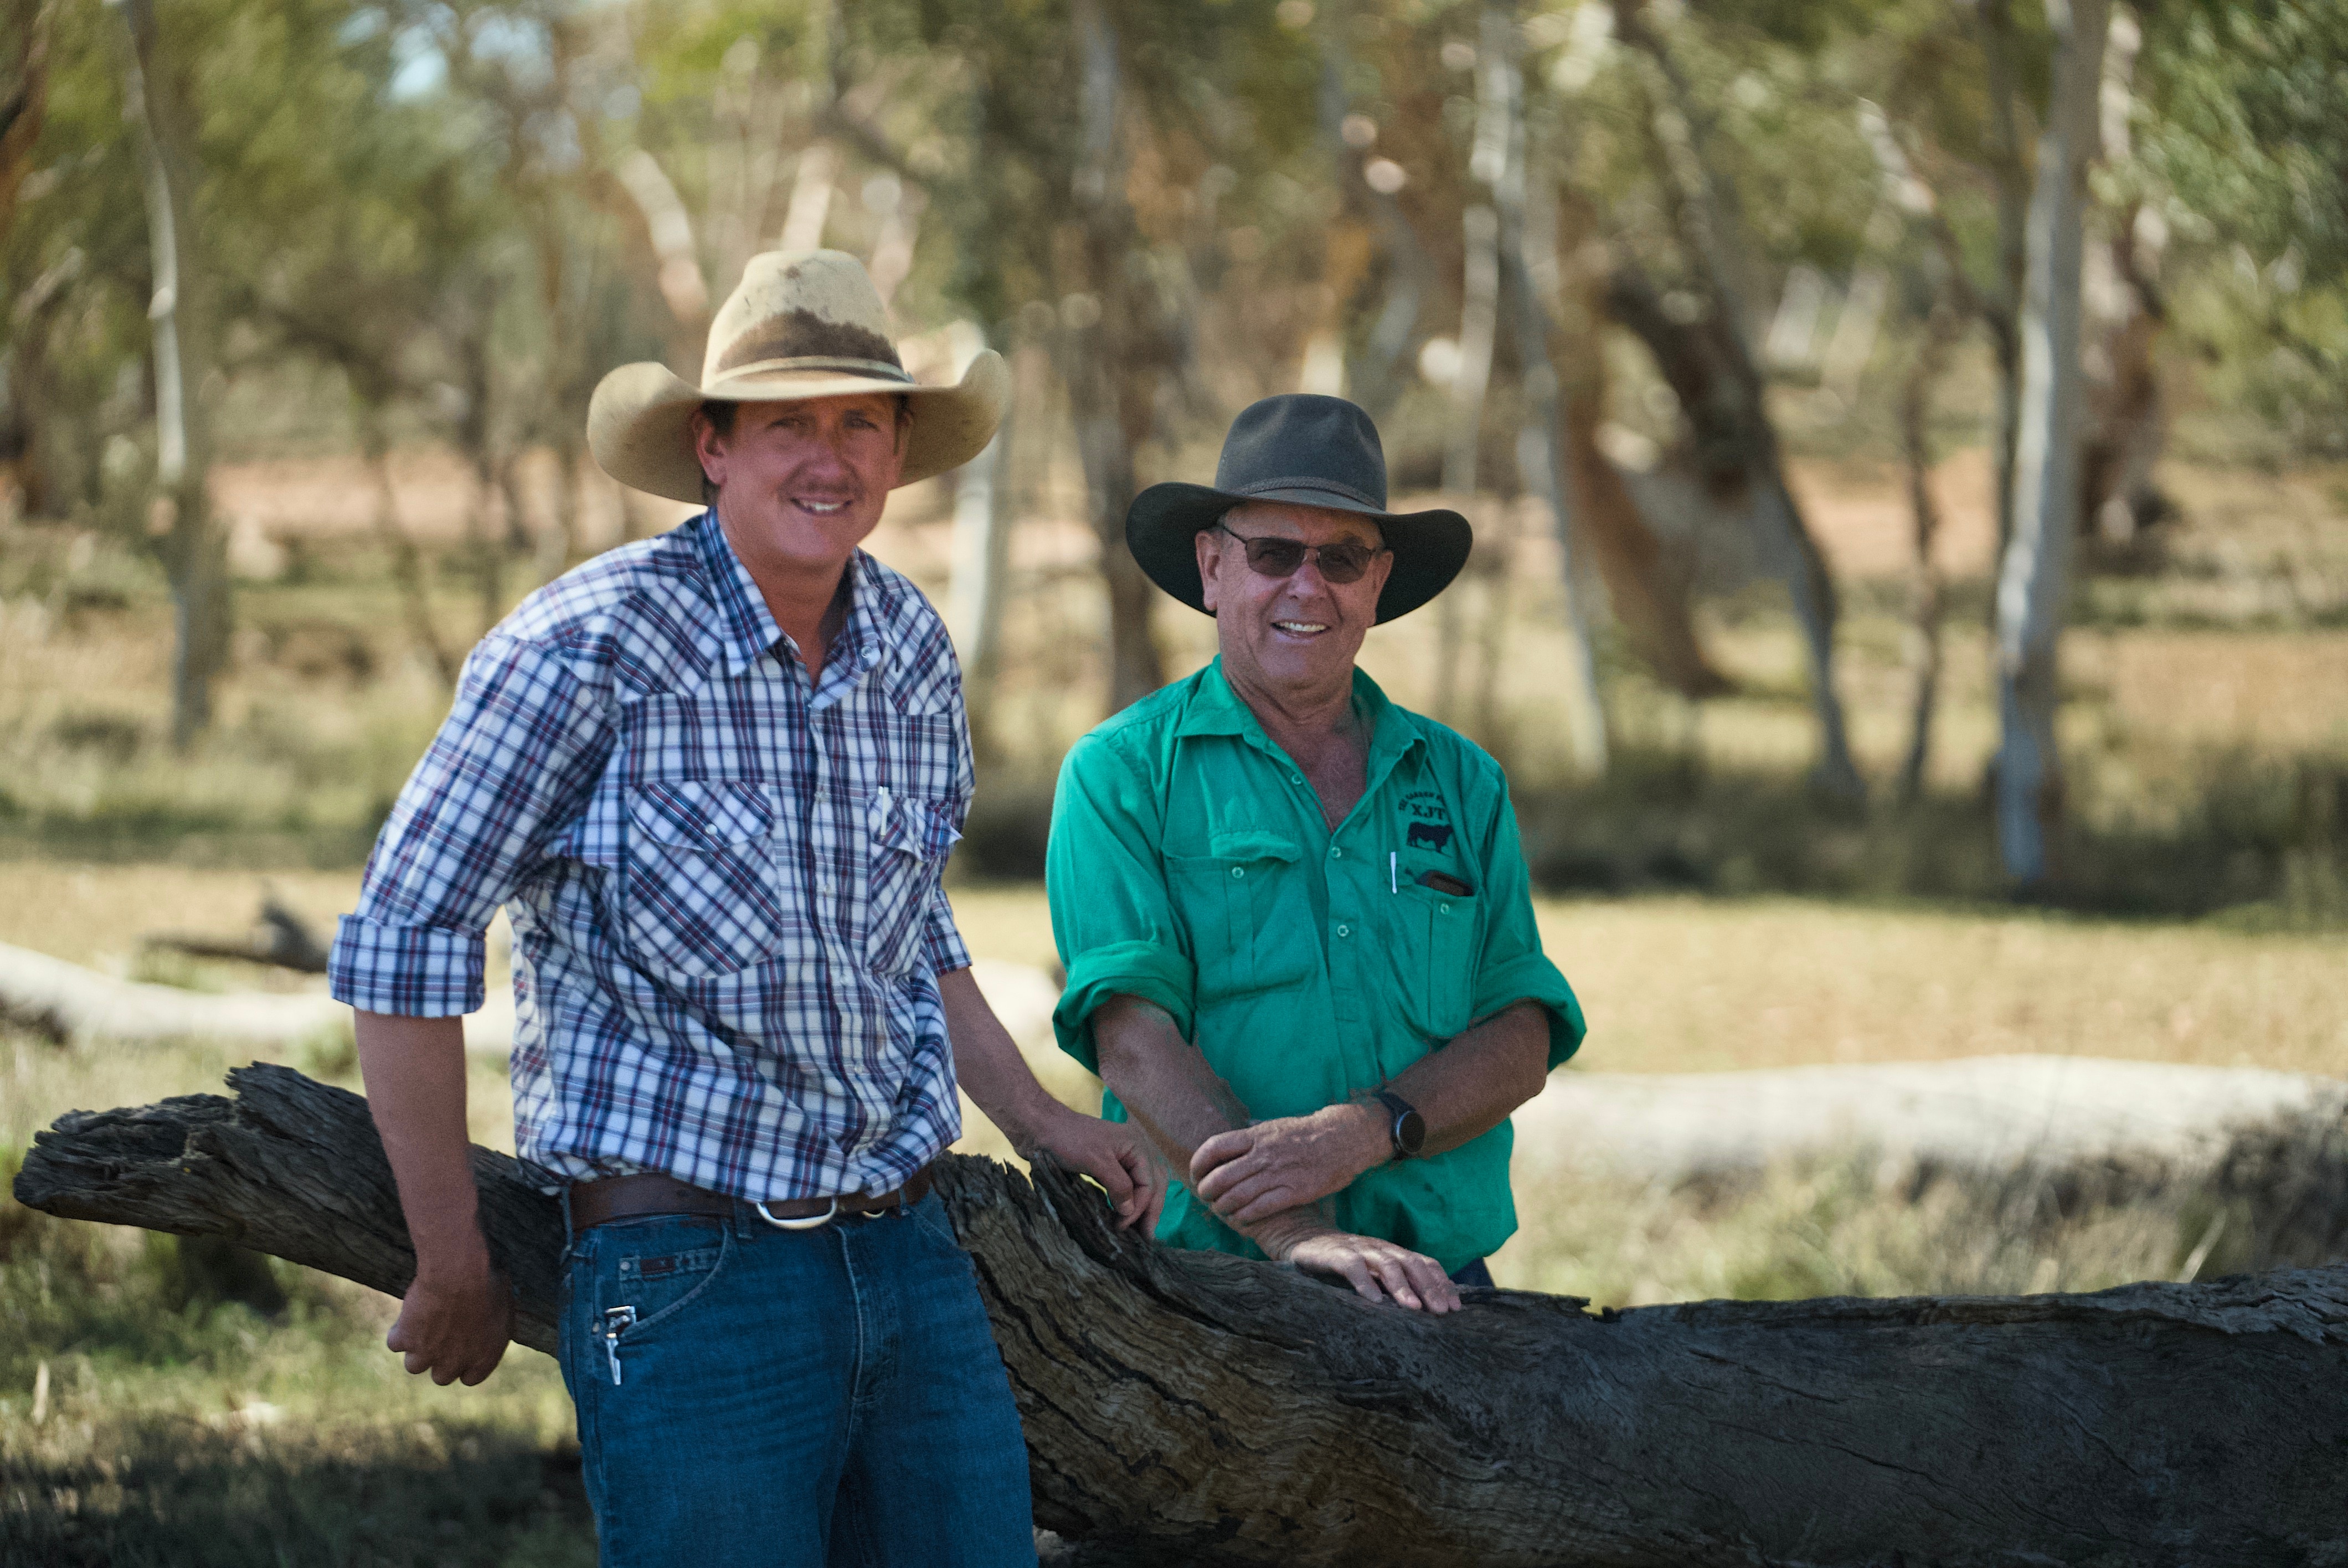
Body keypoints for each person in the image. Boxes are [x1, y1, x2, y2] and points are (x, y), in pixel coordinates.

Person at [328, 249, 1160, 1567]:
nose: (827, 459)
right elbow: (402, 945)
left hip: (910, 1254)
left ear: (896, 453)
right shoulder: (587, 646)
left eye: (858, 424)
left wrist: (1043, 1116)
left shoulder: (908, 648)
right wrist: (451, 1258)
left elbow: (908, 930)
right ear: (711, 448)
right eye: (787, 424)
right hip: (684, 1274)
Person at [1045, 393, 1584, 1316]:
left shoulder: (1463, 781)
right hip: (1204, 1291)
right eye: (1273, 554)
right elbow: (1132, 1042)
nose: (1308, 586)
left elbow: (1521, 1035)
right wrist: (1298, 1232)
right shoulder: (1121, 774)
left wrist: (1369, 1130)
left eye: (1340, 558)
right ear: (1213, 568)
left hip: (1438, 1288)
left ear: (1377, 585)